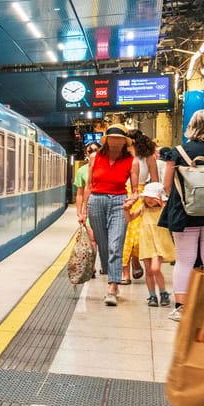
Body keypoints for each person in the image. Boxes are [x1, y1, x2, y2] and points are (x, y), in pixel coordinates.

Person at [158, 108, 204, 322]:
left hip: (184, 214)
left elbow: (166, 186)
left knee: (184, 260)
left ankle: (182, 308)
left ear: (192, 127)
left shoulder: (177, 152)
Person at [79, 125, 139, 306]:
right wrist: (83, 211)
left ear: (124, 142)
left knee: (115, 244)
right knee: (103, 244)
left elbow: (135, 190)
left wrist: (132, 200)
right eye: (112, 138)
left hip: (119, 201)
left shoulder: (132, 161)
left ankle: (112, 286)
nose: (115, 141)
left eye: (119, 138)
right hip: (96, 200)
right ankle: (109, 270)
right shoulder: (95, 157)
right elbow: (89, 185)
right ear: (107, 140)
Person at [125, 182, 174, 306]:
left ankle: (163, 292)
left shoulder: (164, 208)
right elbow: (130, 218)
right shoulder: (143, 208)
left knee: (155, 268)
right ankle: (152, 296)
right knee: (148, 271)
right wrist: (126, 209)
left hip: (159, 242)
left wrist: (163, 205)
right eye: (148, 197)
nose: (150, 200)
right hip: (146, 242)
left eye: (154, 198)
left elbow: (171, 220)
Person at [124, 130, 161, 280]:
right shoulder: (121, 157)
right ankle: (124, 272)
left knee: (138, 235)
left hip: (141, 196)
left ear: (132, 140)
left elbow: (155, 181)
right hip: (122, 195)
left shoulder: (148, 158)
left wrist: (153, 200)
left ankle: (135, 259)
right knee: (123, 235)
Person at [74, 142, 101, 275]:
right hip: (89, 209)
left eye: (96, 150)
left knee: (104, 239)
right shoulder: (82, 171)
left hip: (104, 207)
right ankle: (91, 266)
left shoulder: (107, 168)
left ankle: (105, 265)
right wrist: (80, 212)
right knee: (92, 239)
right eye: (90, 151)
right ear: (86, 154)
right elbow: (79, 193)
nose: (93, 153)